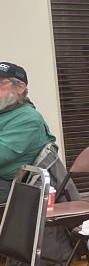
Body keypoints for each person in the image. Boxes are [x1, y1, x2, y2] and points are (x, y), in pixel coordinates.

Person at [0, 62, 54, 202]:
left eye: (0, 83)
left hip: (10, 186)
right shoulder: (4, 112)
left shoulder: (28, 119)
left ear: (20, 87)